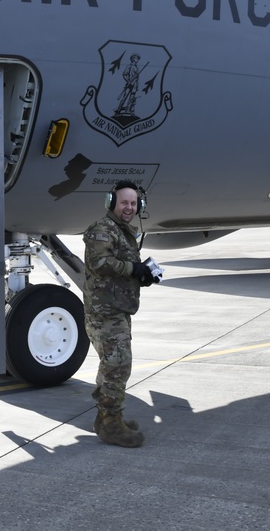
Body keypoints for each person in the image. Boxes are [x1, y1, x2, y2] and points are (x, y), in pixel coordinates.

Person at [83, 179, 157, 448]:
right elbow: (99, 263)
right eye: (124, 202)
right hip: (104, 313)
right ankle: (112, 424)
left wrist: (142, 275)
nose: (129, 207)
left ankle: (105, 419)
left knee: (111, 366)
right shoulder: (102, 230)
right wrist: (132, 269)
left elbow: (121, 268)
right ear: (112, 203)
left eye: (133, 203)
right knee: (118, 366)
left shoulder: (122, 230)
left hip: (117, 310)